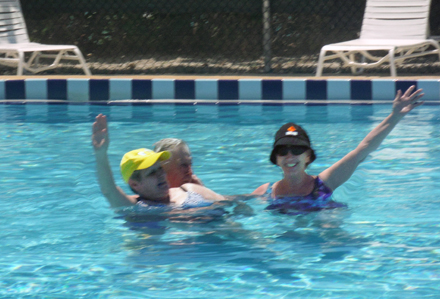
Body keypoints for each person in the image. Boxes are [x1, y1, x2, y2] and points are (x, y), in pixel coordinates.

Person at [252, 85, 424, 213]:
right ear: (276, 159)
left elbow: (363, 150)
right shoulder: (267, 191)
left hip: (324, 242)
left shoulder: (323, 184)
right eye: (283, 152)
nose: (289, 157)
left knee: (330, 219)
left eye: (297, 151)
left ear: (308, 157)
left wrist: (394, 116)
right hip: (287, 244)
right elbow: (237, 204)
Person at [92, 114, 226, 209]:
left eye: (160, 169)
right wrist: (100, 154)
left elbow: (229, 203)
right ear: (135, 184)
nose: (161, 175)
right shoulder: (137, 206)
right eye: (152, 173)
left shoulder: (189, 189)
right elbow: (108, 190)